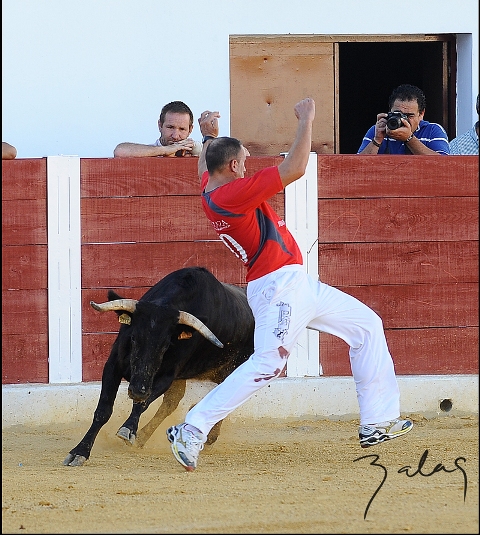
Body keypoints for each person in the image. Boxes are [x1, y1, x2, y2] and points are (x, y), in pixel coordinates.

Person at [166, 98, 413, 472]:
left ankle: (377, 421)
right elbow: (295, 167)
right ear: (233, 167)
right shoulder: (233, 193)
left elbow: (205, 163)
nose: (247, 167)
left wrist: (207, 136)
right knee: (267, 363)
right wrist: (306, 120)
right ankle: (193, 428)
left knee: (366, 326)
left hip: (295, 282)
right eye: (245, 162)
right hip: (279, 288)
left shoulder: (212, 187)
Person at [357, 84, 449, 155]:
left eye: (409, 116)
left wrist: (409, 139)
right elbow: (356, 165)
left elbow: (445, 165)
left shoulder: (433, 130)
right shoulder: (377, 130)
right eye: (398, 114)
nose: (403, 120)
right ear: (390, 111)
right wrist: (377, 140)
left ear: (421, 114)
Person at [113, 100, 202, 157]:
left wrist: (196, 150)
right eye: (170, 127)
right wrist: (166, 150)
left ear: (190, 130)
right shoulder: (148, 152)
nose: (175, 136)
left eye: (182, 129)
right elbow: (120, 151)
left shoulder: (196, 151)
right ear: (160, 125)